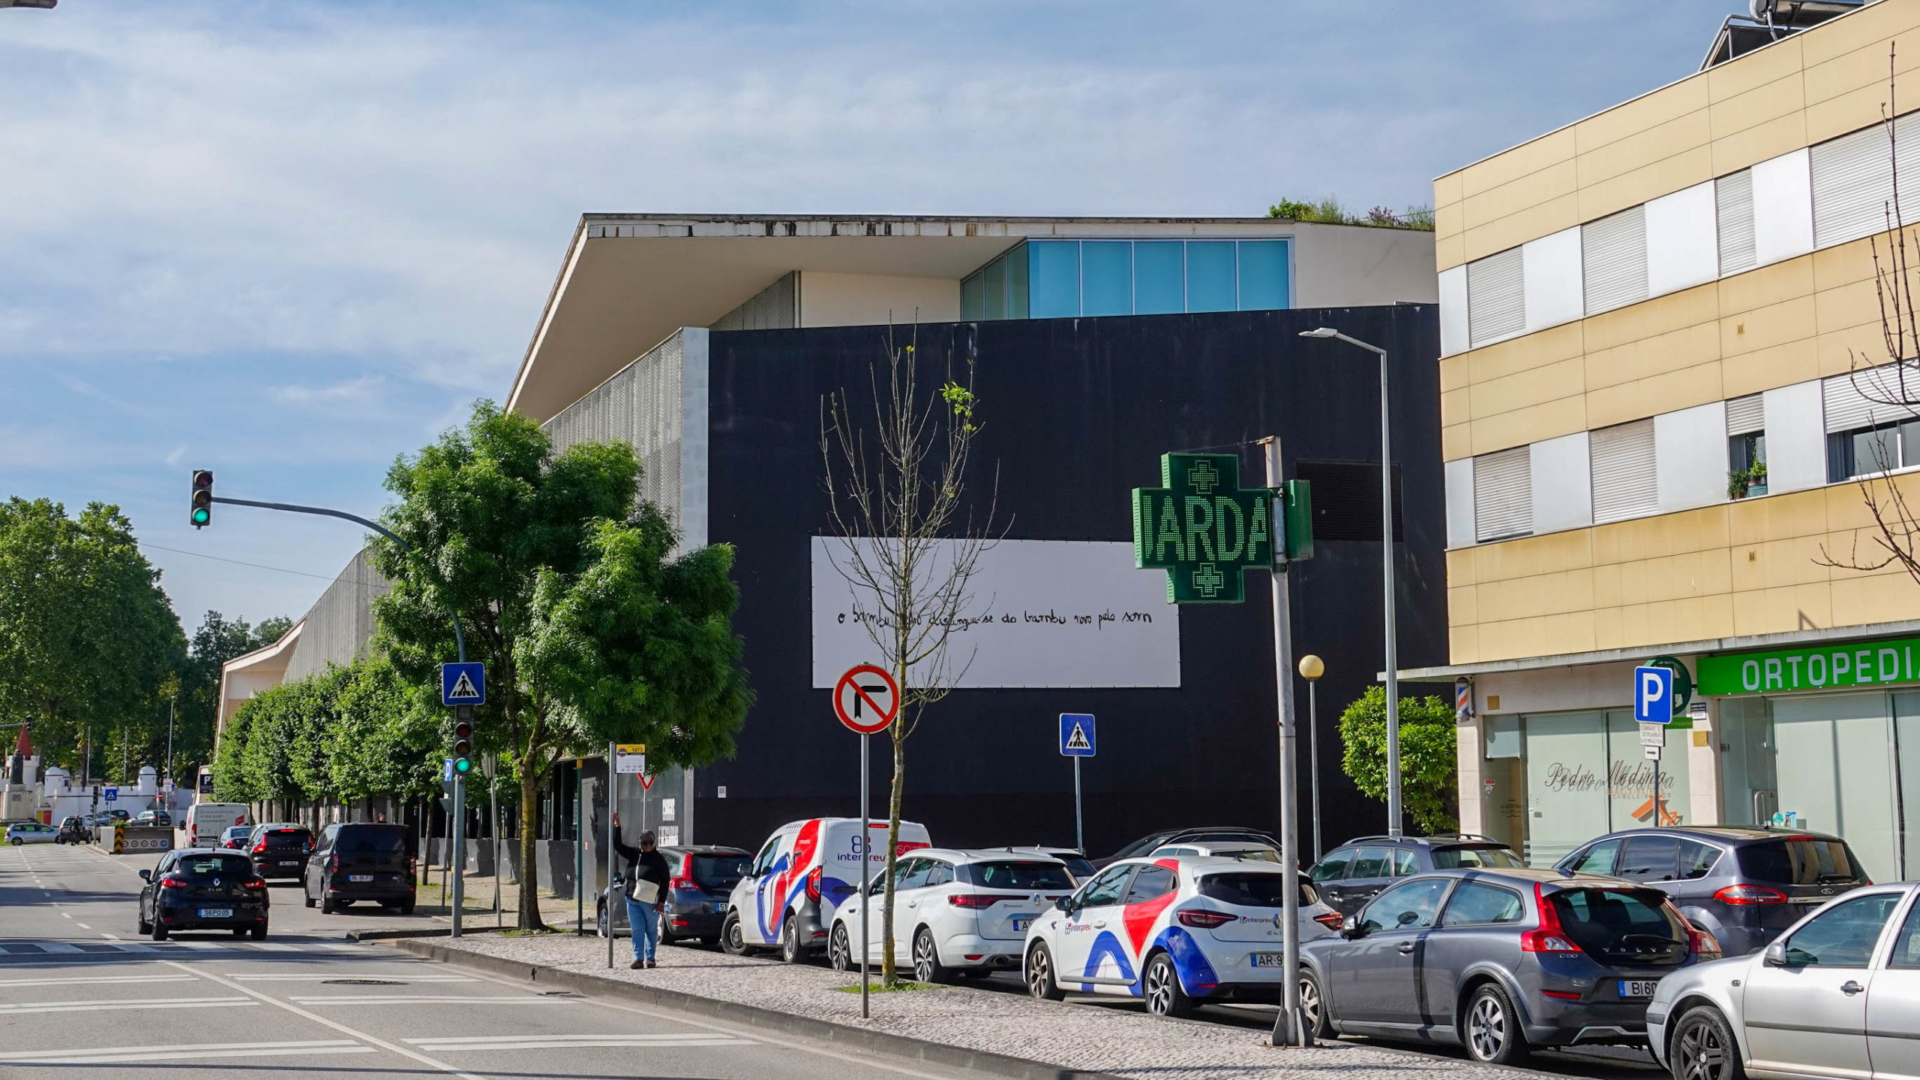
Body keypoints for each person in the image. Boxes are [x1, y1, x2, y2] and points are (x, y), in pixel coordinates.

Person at [611, 812, 669, 969]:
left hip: (649, 900)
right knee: (637, 929)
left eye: (650, 843)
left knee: (650, 929)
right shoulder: (634, 854)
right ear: (640, 843)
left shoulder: (659, 859)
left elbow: (665, 881)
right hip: (632, 898)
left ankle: (650, 958)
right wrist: (617, 827)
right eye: (645, 843)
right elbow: (617, 846)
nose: (648, 846)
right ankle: (638, 958)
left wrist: (661, 902)